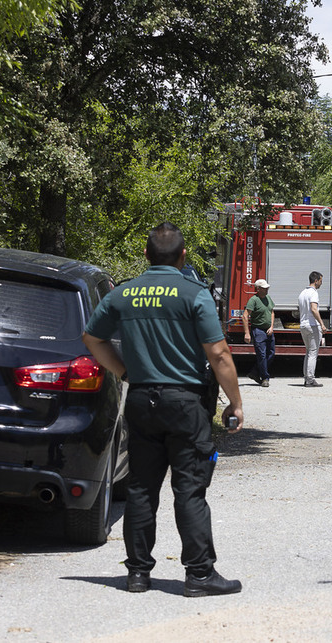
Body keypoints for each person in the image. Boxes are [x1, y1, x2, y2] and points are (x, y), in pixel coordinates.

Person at [82, 222, 245, 598]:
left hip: (142, 400)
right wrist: (235, 402)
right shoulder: (194, 294)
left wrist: (124, 371)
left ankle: (138, 574)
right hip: (185, 404)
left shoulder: (124, 293)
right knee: (189, 490)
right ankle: (199, 576)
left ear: (146, 255)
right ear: (183, 255)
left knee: (140, 488)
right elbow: (218, 353)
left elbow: (92, 337)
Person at [241, 278, 275, 387]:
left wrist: (271, 326)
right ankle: (265, 378)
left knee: (271, 353)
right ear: (258, 289)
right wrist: (247, 333)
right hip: (258, 330)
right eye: (265, 288)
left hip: (268, 330)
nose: (267, 290)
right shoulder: (253, 300)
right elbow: (245, 316)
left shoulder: (268, 298)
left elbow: (272, 312)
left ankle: (255, 372)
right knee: (262, 355)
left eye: (267, 288)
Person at [297, 271, 327, 387]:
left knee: (308, 352)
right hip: (312, 325)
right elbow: (314, 309)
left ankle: (306, 378)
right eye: (320, 281)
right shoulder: (313, 293)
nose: (321, 283)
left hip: (303, 325)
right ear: (316, 281)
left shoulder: (302, 293)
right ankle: (310, 379)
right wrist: (322, 324)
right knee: (313, 353)